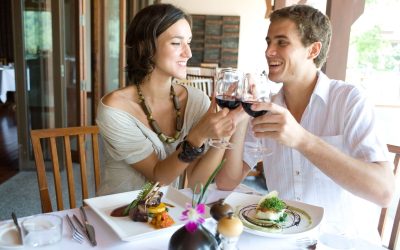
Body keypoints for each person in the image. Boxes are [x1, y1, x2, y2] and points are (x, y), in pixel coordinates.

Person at [216, 4, 395, 242]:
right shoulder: (265, 107)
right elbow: (227, 181)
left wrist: (302, 140)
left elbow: (384, 192)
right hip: (285, 241)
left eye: (282, 42)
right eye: (268, 41)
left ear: (313, 50)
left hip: (345, 243)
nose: (269, 51)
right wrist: (240, 117)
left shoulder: (349, 100)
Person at [96, 4, 238, 195]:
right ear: (146, 46)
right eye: (176, 43)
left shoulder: (196, 100)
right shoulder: (115, 109)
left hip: (166, 216)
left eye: (188, 42)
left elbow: (197, 183)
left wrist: (227, 125)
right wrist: (197, 136)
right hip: (118, 214)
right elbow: (158, 176)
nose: (188, 53)